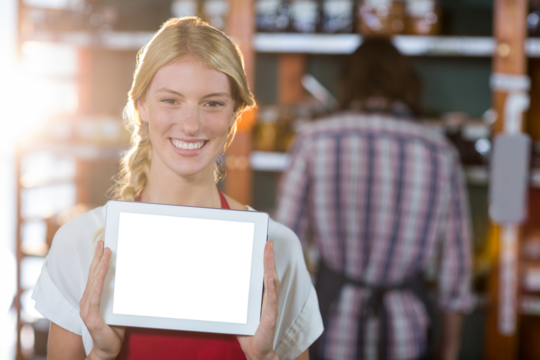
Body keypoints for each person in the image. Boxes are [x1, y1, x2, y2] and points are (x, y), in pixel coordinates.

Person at [32, 17, 323, 360]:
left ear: (235, 114)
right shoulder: (81, 245)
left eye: (212, 103)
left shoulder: (276, 252)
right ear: (141, 105)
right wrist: (101, 354)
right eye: (171, 100)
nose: (190, 124)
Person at [275, 37, 474, 360]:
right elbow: (457, 265)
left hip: (328, 324)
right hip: (407, 329)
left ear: (347, 81)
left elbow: (283, 249)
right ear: (407, 83)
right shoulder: (439, 151)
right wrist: (450, 348)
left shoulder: (312, 141)